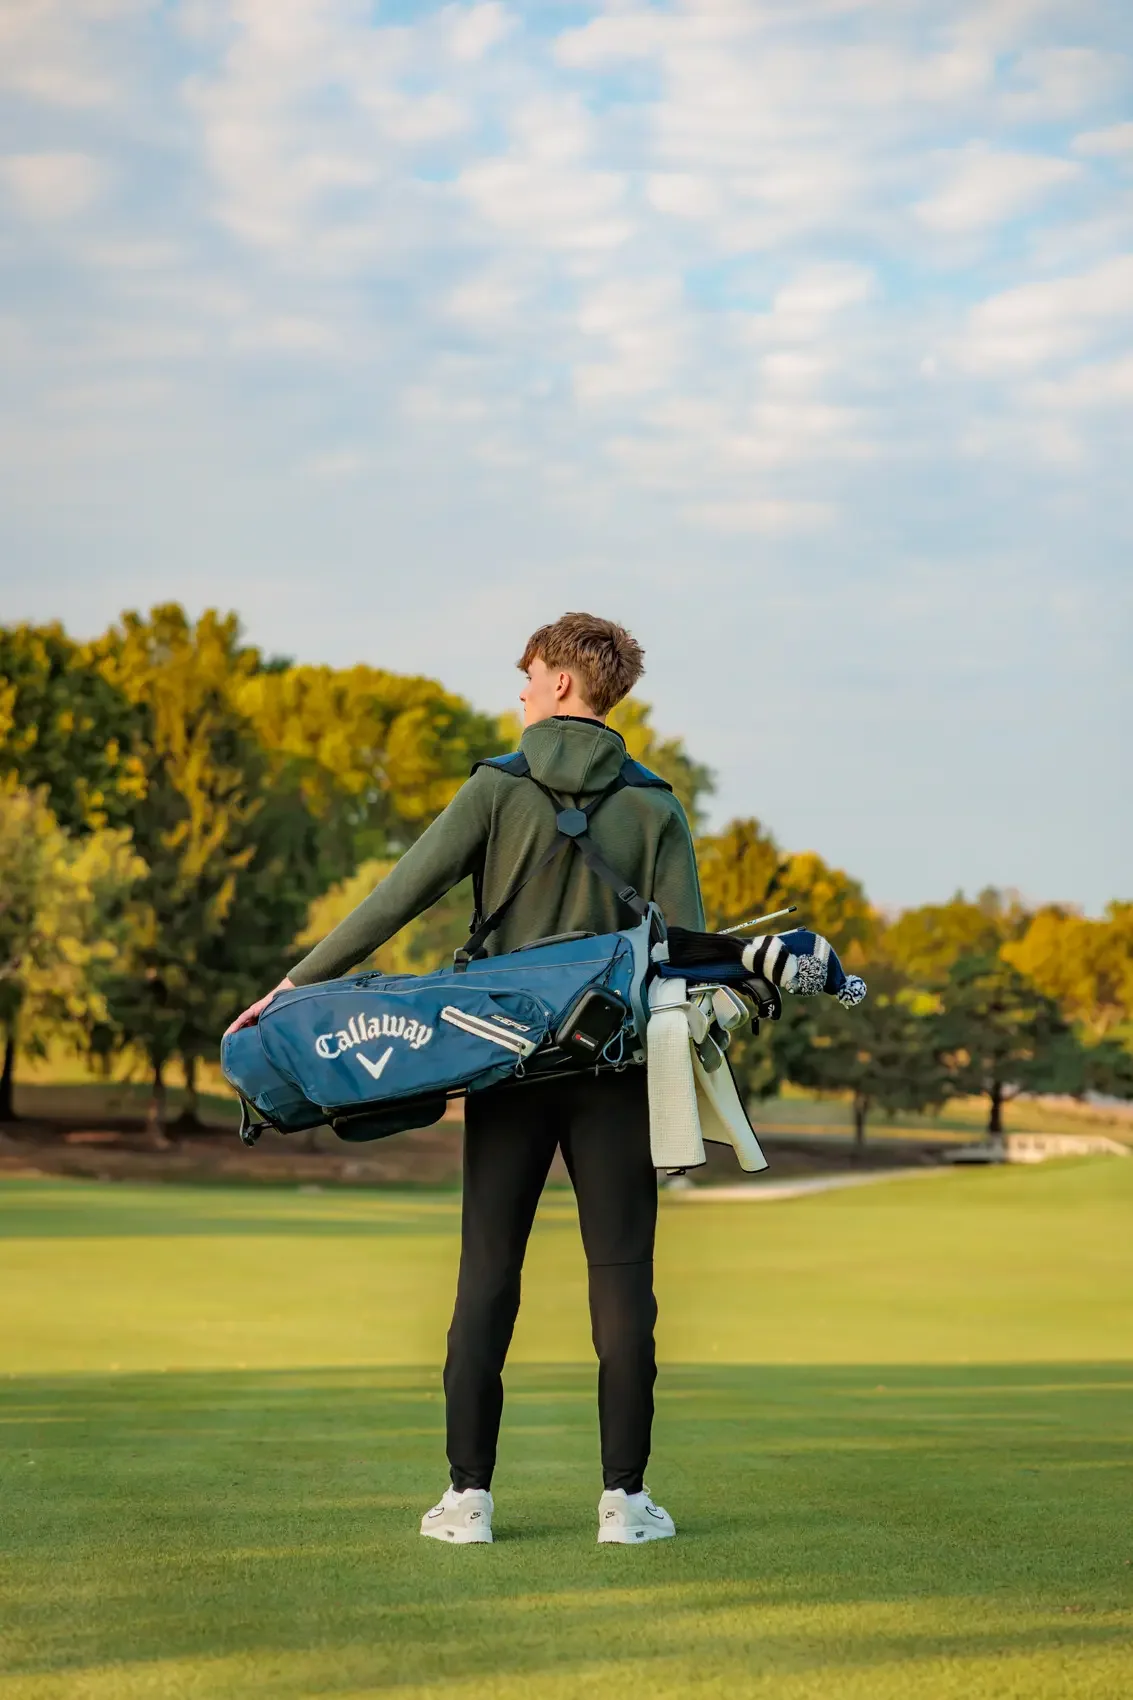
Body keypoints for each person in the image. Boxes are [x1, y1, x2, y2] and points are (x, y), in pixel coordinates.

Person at [225, 612, 705, 1544]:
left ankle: (468, 1501)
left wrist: (290, 988)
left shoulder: (496, 789)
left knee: (487, 1276)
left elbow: (396, 897)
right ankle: (624, 1504)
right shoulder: (657, 806)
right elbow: (681, 965)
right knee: (622, 1284)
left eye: (527, 674)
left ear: (563, 683)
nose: (519, 689)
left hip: (500, 1061)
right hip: (615, 1075)